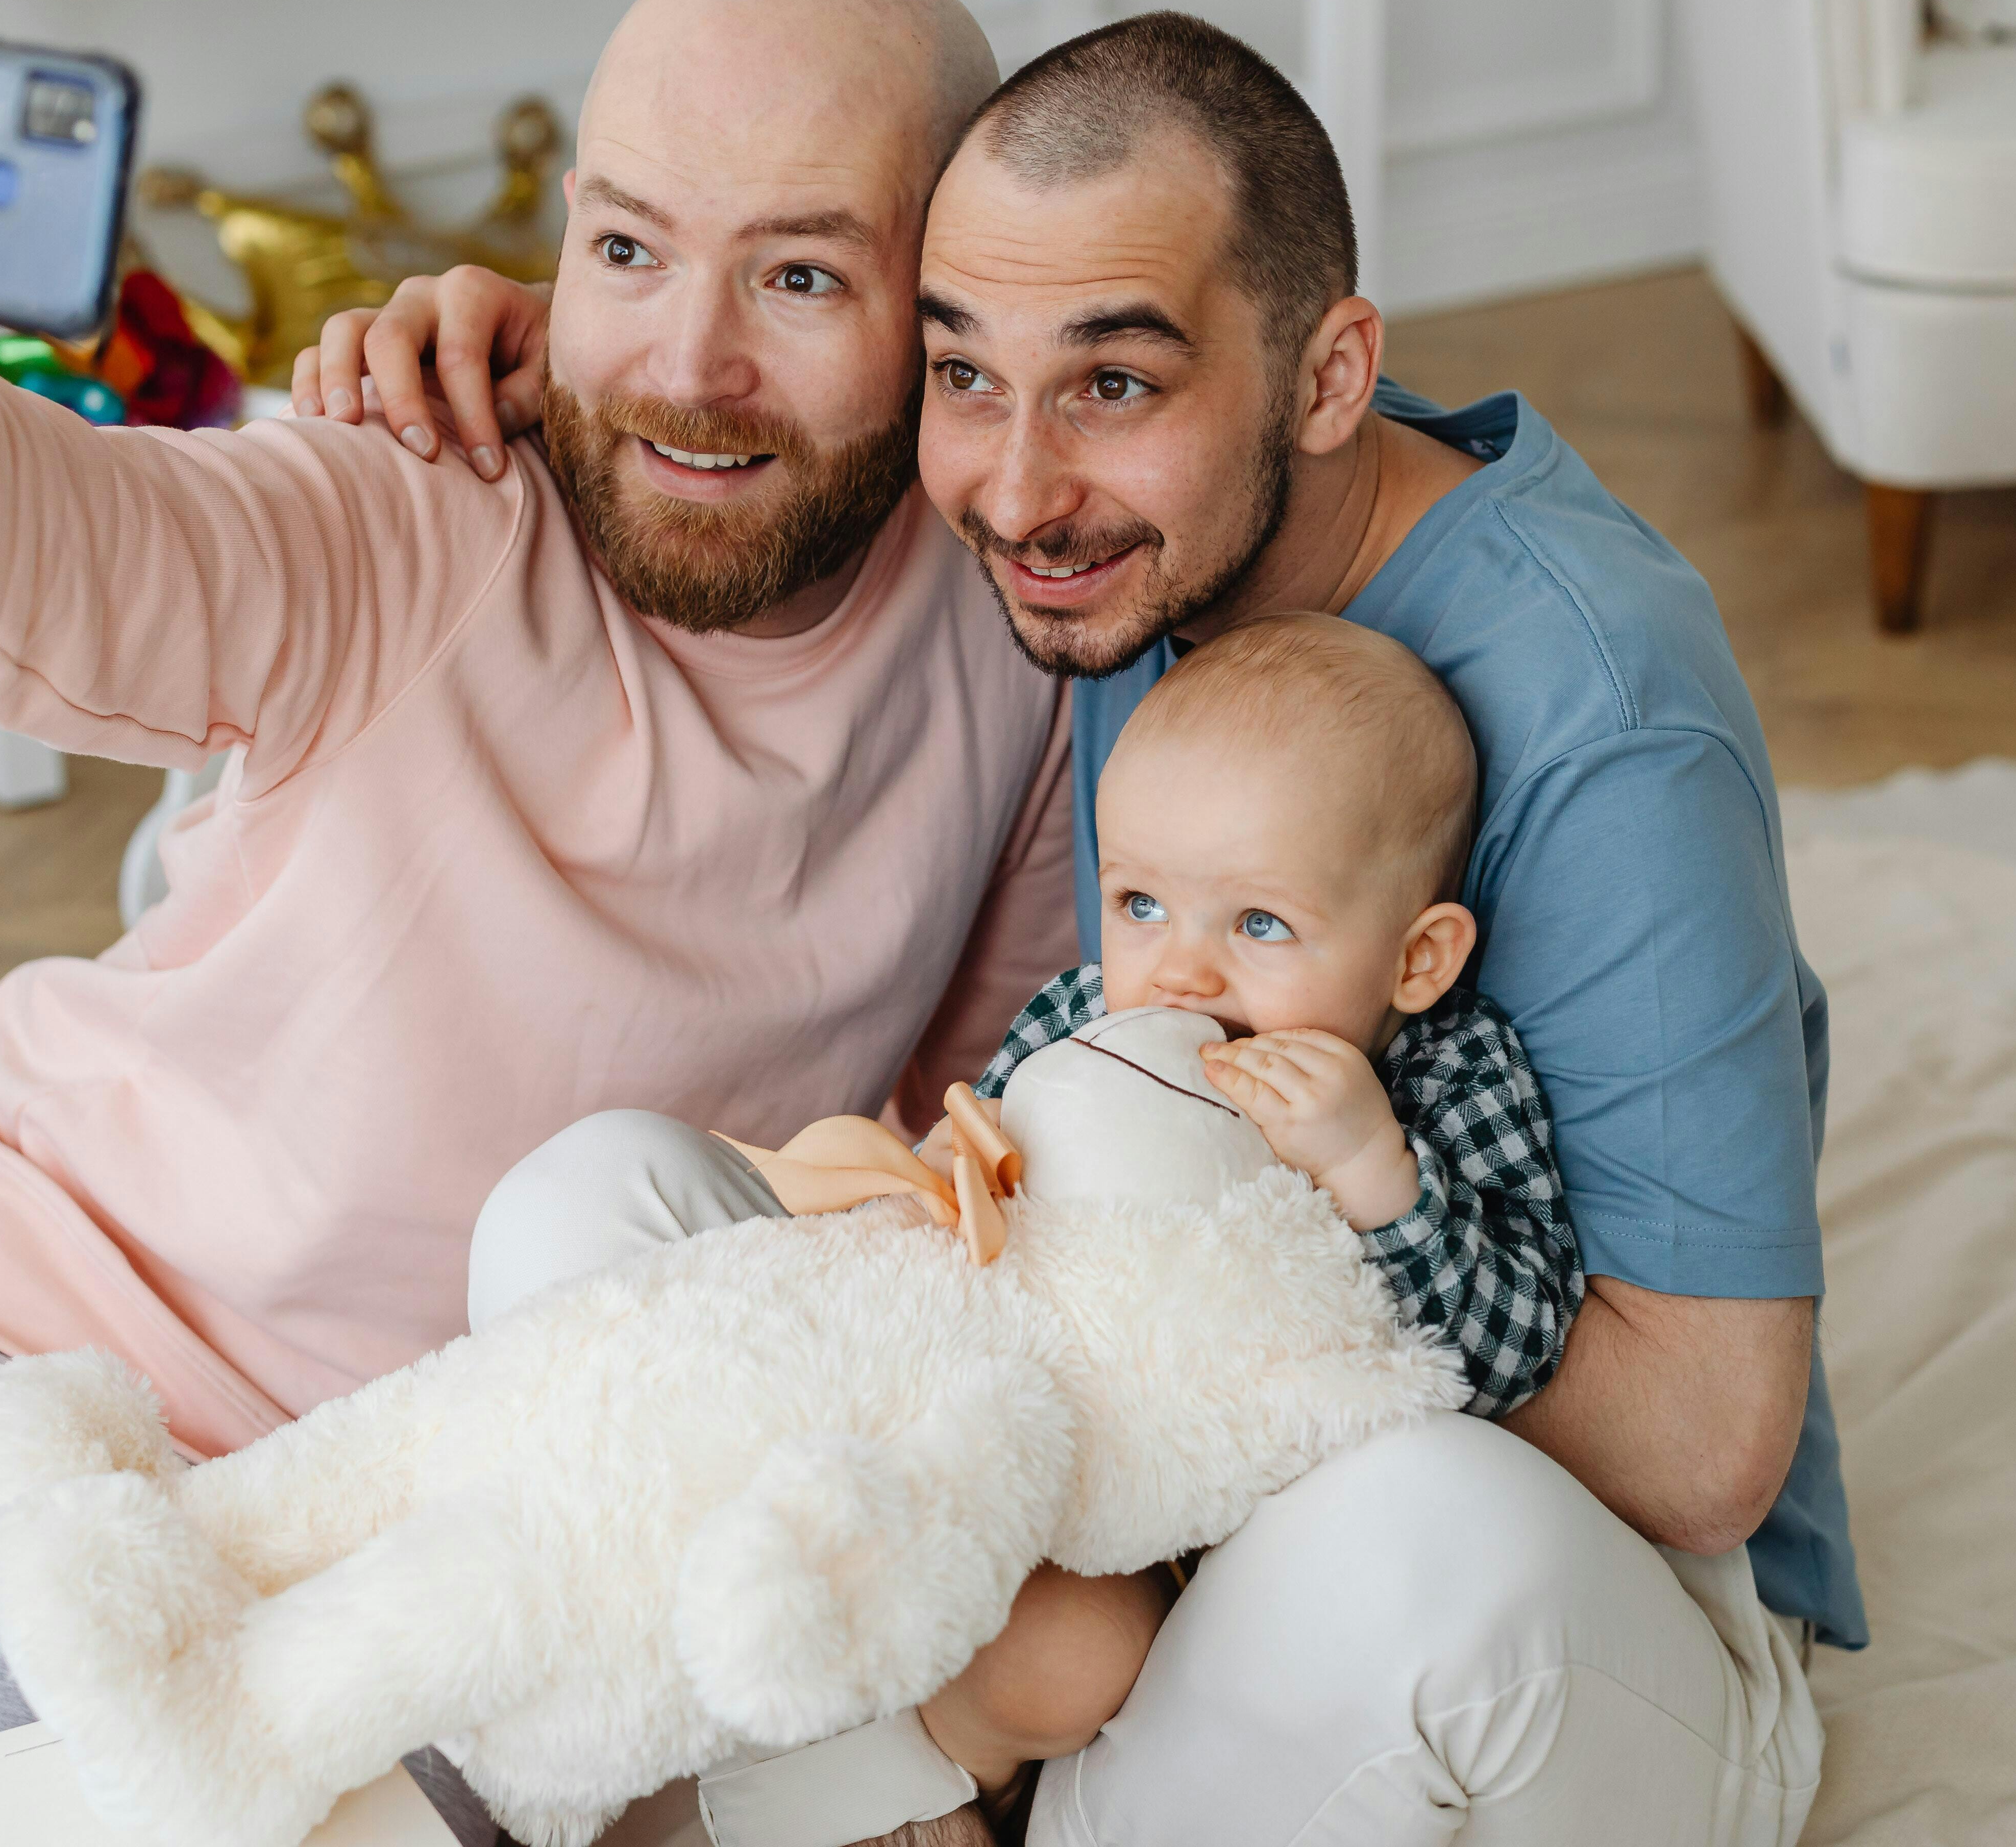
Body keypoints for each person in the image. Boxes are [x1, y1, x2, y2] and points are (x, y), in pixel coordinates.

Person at [0, 0, 1086, 1847]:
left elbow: (959, 1144)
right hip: (35, 1390)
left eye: (798, 274)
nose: (684, 365)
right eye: (624, 248)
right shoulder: (427, 494)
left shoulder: (1020, 639)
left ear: (947, 309)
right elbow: (63, 552)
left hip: (452, 1526)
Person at [318, 10, 1852, 1845]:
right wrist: (577, 348)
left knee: (1423, 1546)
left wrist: (1228, 1215)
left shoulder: (1608, 714)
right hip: (1119, 1527)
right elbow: (812, 276)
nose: (1020, 489)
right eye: (965, 374)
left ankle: (856, 1786)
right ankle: (831, 1791)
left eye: (1116, 387)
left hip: (1551, 1592)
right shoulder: (1115, 542)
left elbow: (1700, 1457)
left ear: (1331, 373)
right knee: (606, 1209)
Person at [472, 609, 1579, 1829]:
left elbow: (1514, 1355)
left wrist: (1375, 1169)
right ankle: (603, 1671)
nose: (1181, 975)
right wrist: (947, 1181)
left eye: (1261, 924)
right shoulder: (1081, 1018)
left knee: (1072, 1650)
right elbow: (978, 1201)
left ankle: (922, 1790)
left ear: (1416, 959)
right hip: (989, 1443)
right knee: (653, 1263)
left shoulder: (1448, 1075)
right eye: (1142, 902)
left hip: (1165, 1553)